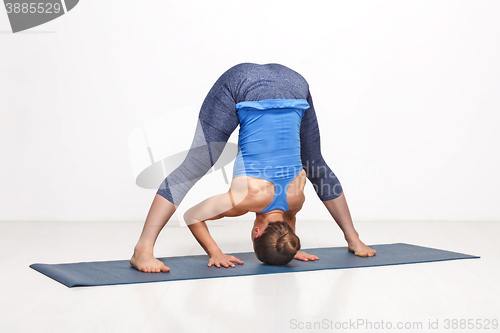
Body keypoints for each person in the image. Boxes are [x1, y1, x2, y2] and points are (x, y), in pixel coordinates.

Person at [130, 63, 376, 273]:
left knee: (314, 165)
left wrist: (290, 247)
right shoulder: (242, 200)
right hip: (242, 84)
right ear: (256, 232)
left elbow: (288, 218)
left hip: (294, 86)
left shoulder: (296, 199)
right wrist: (215, 253)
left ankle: (354, 239)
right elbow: (192, 216)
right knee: (196, 164)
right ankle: (142, 250)